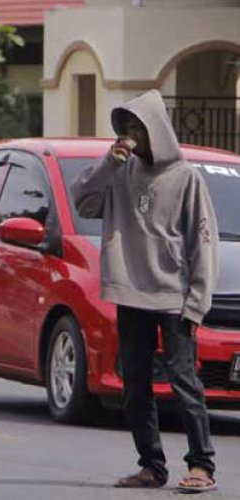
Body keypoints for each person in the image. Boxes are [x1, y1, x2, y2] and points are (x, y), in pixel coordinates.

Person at [72, 90, 219, 493]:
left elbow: (203, 244)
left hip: (174, 298)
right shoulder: (119, 173)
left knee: (184, 382)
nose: (131, 135)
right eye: (126, 128)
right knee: (135, 386)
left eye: (138, 127)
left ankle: (202, 466)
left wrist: (197, 302)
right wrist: (107, 163)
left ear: (156, 130)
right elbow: (83, 203)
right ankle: (151, 466)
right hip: (130, 294)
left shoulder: (187, 178)